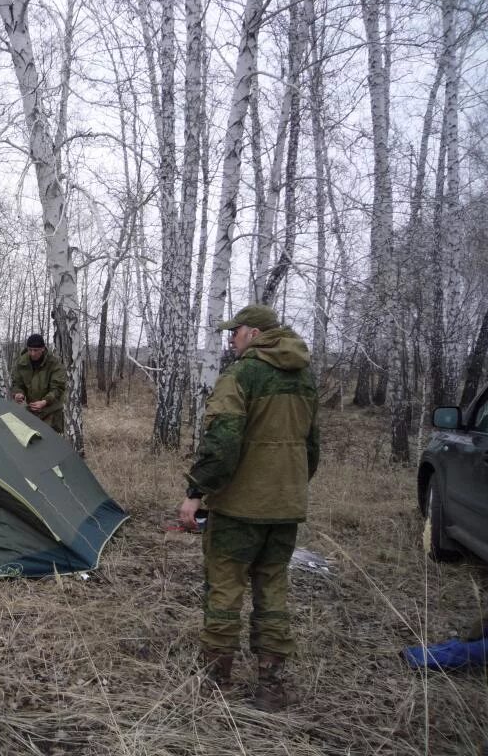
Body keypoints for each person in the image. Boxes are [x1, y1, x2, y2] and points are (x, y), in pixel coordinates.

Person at [179, 304, 319, 711]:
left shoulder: (241, 375)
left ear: (255, 334)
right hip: (285, 506)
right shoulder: (305, 378)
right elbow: (312, 448)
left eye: (236, 331)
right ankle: (270, 685)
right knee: (273, 589)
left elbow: (222, 444)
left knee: (225, 588)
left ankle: (217, 679)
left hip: (240, 508)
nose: (231, 338)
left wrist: (195, 492)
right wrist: (287, 486)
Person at [10, 333, 66, 434]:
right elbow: (17, 383)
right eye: (30, 349)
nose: (32, 353)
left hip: (50, 411)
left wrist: (45, 401)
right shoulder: (22, 363)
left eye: (36, 350)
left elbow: (58, 388)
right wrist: (18, 393)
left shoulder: (54, 364)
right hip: (31, 410)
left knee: (48, 441)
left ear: (43, 349)